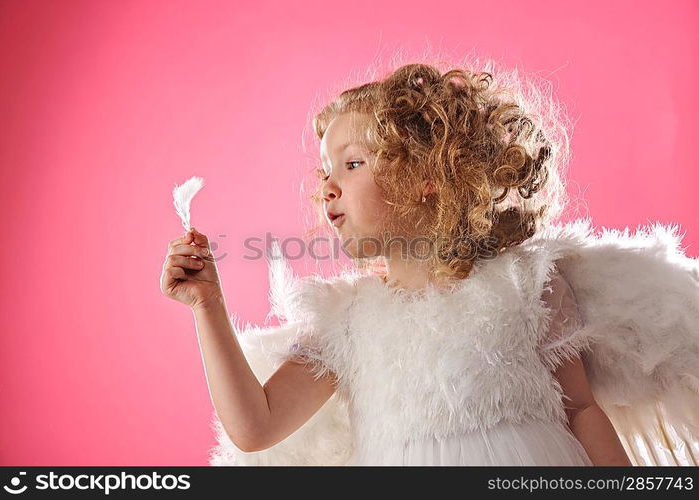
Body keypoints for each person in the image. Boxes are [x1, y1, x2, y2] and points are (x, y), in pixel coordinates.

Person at [160, 62, 698, 466]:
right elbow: (256, 426)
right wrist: (208, 305)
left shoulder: (524, 283)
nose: (326, 187)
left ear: (427, 177)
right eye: (324, 171)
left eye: (351, 163)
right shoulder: (346, 321)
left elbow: (581, 410)